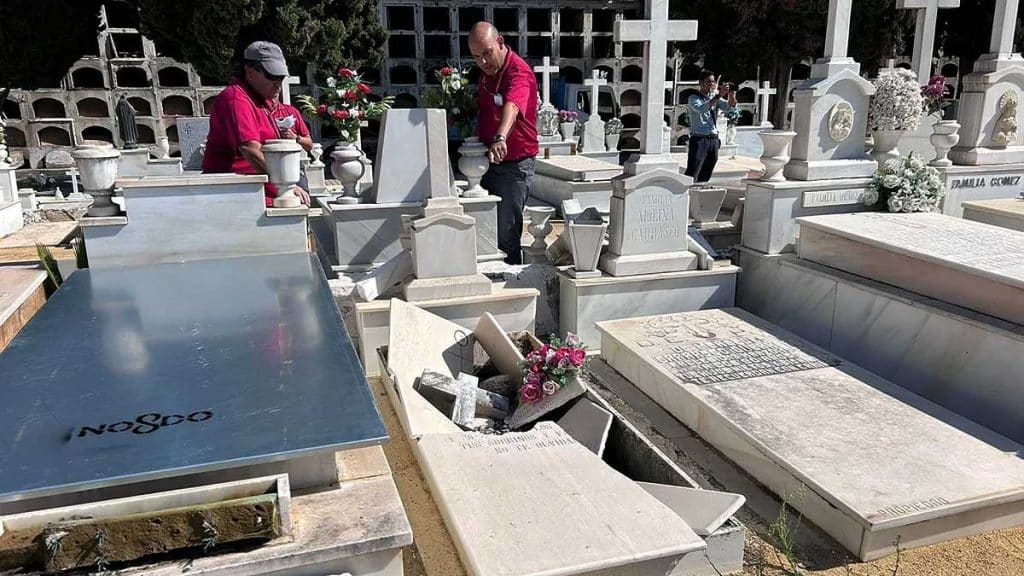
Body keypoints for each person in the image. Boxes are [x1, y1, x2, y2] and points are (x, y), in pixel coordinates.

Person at [203, 41, 313, 206]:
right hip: (240, 196)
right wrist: (285, 184)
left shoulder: (261, 101)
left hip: (263, 193)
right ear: (250, 72)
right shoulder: (236, 99)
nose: (278, 83)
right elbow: (250, 149)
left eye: (281, 77)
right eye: (271, 76)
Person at [468, 22, 539, 265]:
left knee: (506, 235)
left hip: (514, 165)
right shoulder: (487, 74)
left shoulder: (518, 71)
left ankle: (512, 286)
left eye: (487, 53)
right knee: (487, 230)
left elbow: (513, 106)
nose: (483, 62)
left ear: (500, 42)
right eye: (477, 57)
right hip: (487, 161)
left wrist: (500, 137)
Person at [685, 71, 737, 184]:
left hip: (713, 139)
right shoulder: (693, 98)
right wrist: (719, 95)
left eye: (713, 81)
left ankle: (701, 191)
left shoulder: (714, 97)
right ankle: (687, 193)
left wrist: (731, 93)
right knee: (693, 169)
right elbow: (702, 109)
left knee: (707, 169)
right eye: (708, 81)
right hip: (699, 139)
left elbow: (729, 107)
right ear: (701, 83)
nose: (711, 84)